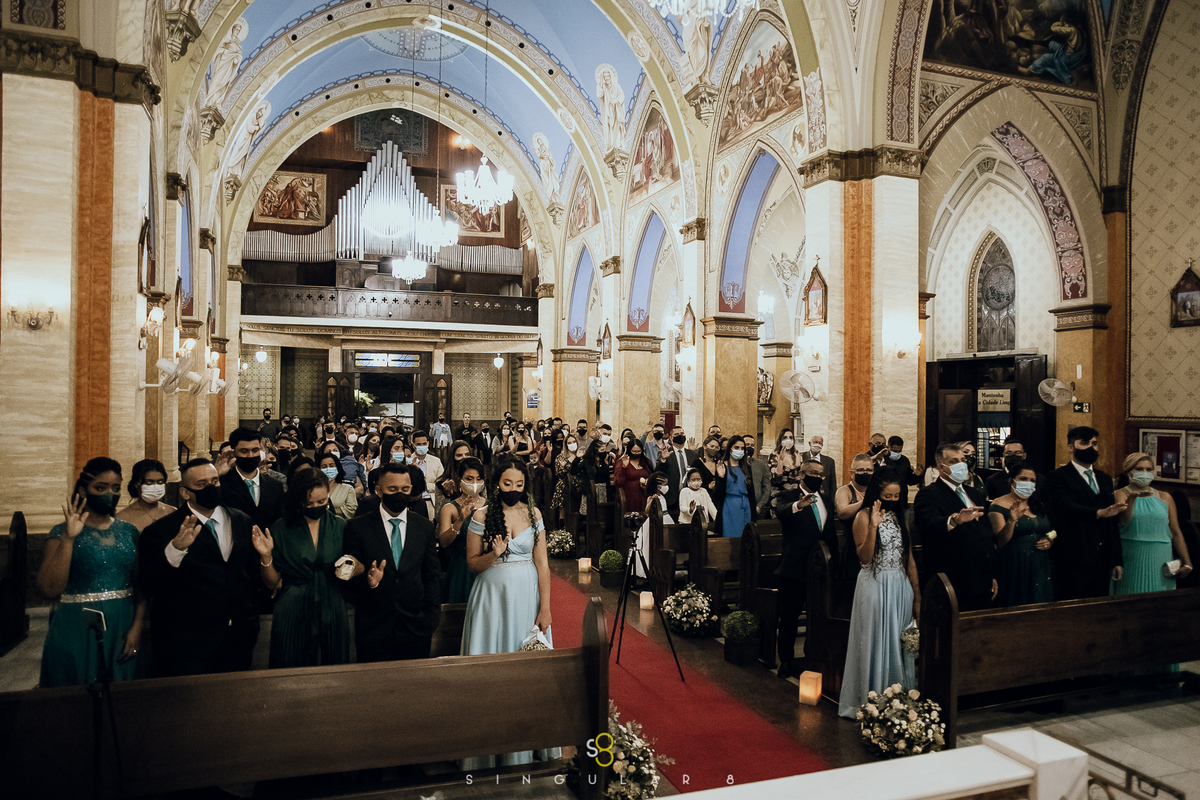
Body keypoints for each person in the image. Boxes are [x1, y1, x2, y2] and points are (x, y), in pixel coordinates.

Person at [461, 457, 558, 768]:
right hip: (491, 597)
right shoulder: (482, 514)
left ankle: (526, 745)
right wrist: (495, 554)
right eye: (507, 484)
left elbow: (542, 564)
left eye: (519, 485)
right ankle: (485, 753)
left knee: (528, 671)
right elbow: (472, 565)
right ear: (496, 484)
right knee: (490, 670)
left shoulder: (534, 513)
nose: (513, 490)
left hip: (527, 597)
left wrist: (545, 607)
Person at [138, 458, 262, 676]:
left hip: (237, 637)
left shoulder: (242, 521)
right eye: (202, 484)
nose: (211, 488)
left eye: (215, 481)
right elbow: (149, 585)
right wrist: (175, 550)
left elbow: (250, 575)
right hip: (187, 642)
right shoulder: (161, 531)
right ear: (185, 493)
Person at [38, 458, 145, 687]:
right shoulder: (60, 532)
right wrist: (69, 539)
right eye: (100, 487)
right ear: (83, 490)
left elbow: (141, 585)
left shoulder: (129, 531)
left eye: (116, 488)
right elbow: (49, 588)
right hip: (76, 624)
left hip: (122, 623)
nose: (110, 493)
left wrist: (137, 627)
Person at [838, 469, 921, 718]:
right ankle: (873, 702)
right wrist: (873, 526)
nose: (893, 500)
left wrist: (916, 592)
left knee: (899, 644)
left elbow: (909, 558)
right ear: (877, 493)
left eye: (897, 496)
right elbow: (865, 559)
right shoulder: (863, 517)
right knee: (875, 642)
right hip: (875, 585)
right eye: (888, 495)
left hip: (899, 586)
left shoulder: (898, 517)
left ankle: (899, 700)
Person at [341, 463, 440, 661]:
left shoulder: (424, 527)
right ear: (378, 490)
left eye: (405, 489)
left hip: (416, 627)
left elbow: (431, 576)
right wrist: (367, 582)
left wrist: (431, 619)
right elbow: (347, 576)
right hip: (373, 628)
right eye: (392, 489)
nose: (400, 494)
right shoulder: (358, 527)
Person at [252, 468, 350, 668]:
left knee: (334, 665)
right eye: (308, 503)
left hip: (331, 604)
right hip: (292, 606)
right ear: (297, 499)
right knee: (290, 663)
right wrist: (266, 556)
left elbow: (353, 565)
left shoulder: (340, 526)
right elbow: (271, 582)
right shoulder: (281, 528)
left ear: (328, 496)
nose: (315, 507)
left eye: (321, 502)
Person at [1042, 426, 1126, 600]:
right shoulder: (1058, 476)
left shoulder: (1104, 478)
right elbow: (1064, 506)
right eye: (1084, 443)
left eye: (1094, 443)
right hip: (1073, 557)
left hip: (1101, 559)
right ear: (1071, 447)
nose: (1091, 447)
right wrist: (1099, 512)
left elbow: (1111, 523)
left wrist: (1116, 560)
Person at [913, 442, 998, 611]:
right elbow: (927, 524)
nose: (961, 464)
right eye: (954, 461)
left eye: (963, 460)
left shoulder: (974, 493)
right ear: (941, 466)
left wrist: (992, 574)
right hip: (954, 578)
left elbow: (986, 535)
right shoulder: (929, 493)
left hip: (982, 578)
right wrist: (954, 520)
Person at [775, 457, 838, 679]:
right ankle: (786, 660)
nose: (818, 478)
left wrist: (833, 565)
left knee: (817, 616)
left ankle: (813, 656)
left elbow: (829, 535)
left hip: (820, 570)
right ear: (802, 474)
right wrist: (797, 506)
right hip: (794, 567)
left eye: (821, 475)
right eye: (814, 473)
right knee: (790, 617)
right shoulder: (789, 496)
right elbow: (781, 511)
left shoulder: (827, 501)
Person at [1110, 453, 1193, 595]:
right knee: (1129, 600)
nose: (1145, 473)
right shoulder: (1120, 494)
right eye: (1139, 469)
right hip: (1132, 556)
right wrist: (1133, 498)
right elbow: (1125, 520)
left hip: (1161, 557)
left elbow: (1175, 531)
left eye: (1149, 470)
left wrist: (1187, 562)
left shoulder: (1165, 497)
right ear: (1129, 472)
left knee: (1161, 603)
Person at [987, 461, 1054, 606]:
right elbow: (1000, 542)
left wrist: (1049, 541)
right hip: (1015, 564)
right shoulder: (998, 505)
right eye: (1023, 479)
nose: (1028, 483)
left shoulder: (1037, 504)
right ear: (1012, 481)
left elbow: (1049, 532)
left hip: (1039, 563)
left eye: (1032, 480)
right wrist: (1012, 520)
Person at [219, 426, 285, 532]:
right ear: (234, 452)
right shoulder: (223, 484)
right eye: (244, 451)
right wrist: (216, 475)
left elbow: (280, 522)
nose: (251, 455)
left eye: (255, 450)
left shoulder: (275, 485)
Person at [439, 457, 486, 603]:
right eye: (469, 479)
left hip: (487, 567)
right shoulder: (450, 508)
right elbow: (443, 542)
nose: (474, 483)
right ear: (460, 480)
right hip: (461, 569)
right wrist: (460, 520)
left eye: (478, 479)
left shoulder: (490, 506)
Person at [834, 454, 875, 579]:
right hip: (852, 547)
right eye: (861, 470)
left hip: (874, 545)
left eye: (869, 470)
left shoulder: (876, 490)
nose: (865, 473)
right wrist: (864, 501)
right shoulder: (844, 491)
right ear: (852, 473)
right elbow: (842, 512)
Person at [713, 436, 756, 538]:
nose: (740, 450)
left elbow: (751, 494)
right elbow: (717, 496)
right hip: (729, 507)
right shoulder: (722, 467)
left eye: (742, 448)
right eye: (736, 447)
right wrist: (721, 477)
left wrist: (754, 518)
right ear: (730, 449)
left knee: (746, 539)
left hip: (745, 506)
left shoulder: (746, 467)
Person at [117, 458, 176, 531]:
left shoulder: (172, 512)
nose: (155, 486)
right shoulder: (122, 517)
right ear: (137, 484)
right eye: (149, 482)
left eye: (160, 482)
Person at [656, 425, 697, 520]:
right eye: (676, 434)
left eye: (682, 433)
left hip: (690, 497)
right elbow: (658, 473)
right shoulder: (665, 452)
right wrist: (663, 460)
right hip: (672, 498)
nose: (680, 435)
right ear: (671, 438)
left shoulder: (693, 454)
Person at [408, 431, 444, 519]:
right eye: (419, 444)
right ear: (413, 445)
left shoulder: (436, 461)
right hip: (412, 503)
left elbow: (441, 484)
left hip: (431, 501)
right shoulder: (408, 461)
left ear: (428, 444)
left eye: (424, 443)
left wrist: (426, 486)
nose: (422, 446)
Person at [613, 438, 653, 515]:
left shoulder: (647, 462)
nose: (636, 453)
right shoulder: (622, 462)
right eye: (634, 451)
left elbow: (652, 476)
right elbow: (618, 482)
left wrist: (648, 482)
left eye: (639, 451)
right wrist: (624, 467)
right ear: (629, 450)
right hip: (629, 497)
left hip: (644, 496)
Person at [316, 451, 359, 521]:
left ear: (337, 467)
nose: (328, 469)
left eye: (331, 466)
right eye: (324, 467)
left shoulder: (348, 489)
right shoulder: (315, 490)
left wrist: (327, 510)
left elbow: (351, 510)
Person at [771, 428, 804, 513]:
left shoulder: (798, 455)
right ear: (780, 440)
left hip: (795, 497)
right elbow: (776, 480)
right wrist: (781, 461)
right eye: (785, 438)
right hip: (781, 496)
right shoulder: (774, 456)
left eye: (791, 437)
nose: (788, 440)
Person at [743, 434, 773, 519]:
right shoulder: (735, 464)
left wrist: (760, 505)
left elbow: (766, 487)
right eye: (747, 445)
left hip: (757, 507)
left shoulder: (761, 464)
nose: (750, 447)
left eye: (752, 445)